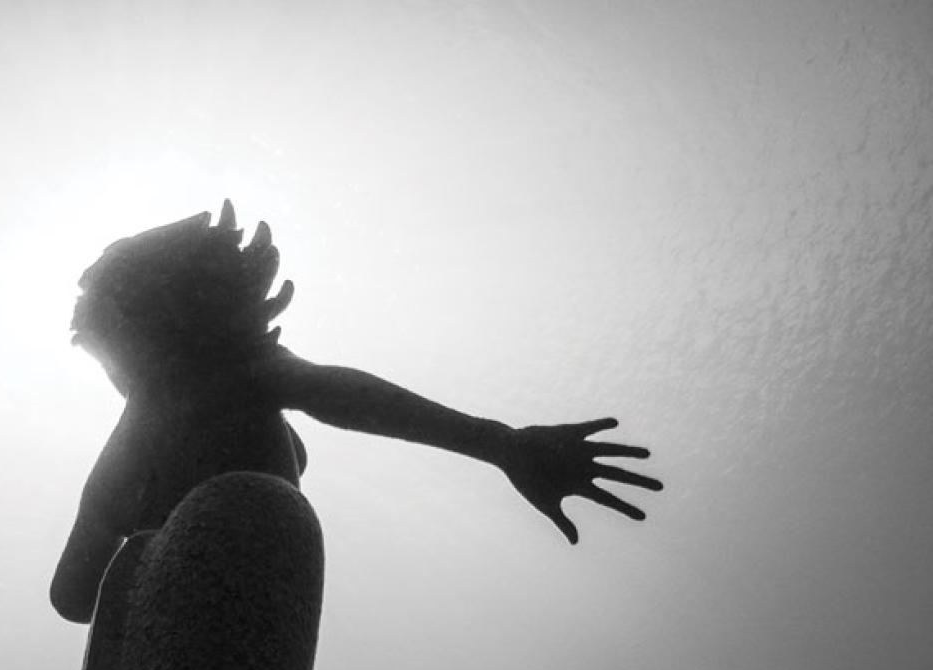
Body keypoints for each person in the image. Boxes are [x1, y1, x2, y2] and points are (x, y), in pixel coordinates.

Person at [51, 201, 662, 624]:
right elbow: (74, 592)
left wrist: (503, 445)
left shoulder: (198, 390)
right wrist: (500, 445)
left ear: (141, 325)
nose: (111, 376)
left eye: (104, 353)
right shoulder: (166, 416)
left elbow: (343, 397)